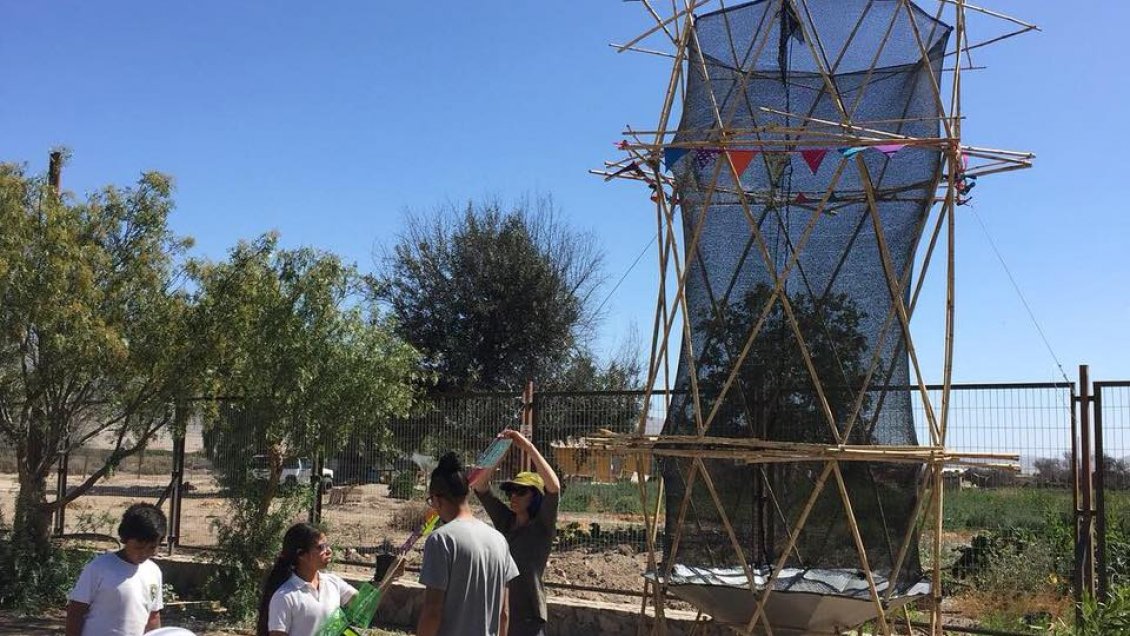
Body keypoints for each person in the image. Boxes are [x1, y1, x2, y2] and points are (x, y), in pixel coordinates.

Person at [471, 430, 562, 636]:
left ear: (536, 497)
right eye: (511, 491)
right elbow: (480, 485)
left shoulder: (542, 528)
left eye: (521, 491)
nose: (513, 496)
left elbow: (554, 487)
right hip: (500, 611)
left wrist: (527, 447)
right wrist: (500, 449)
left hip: (529, 618)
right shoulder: (505, 521)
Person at [418, 452, 519, 636]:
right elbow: (504, 613)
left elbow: (432, 611)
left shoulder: (441, 540)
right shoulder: (498, 539)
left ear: (437, 499)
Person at [66, 502, 168, 636]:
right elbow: (76, 611)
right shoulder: (100, 567)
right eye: (138, 547)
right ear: (124, 538)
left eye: (152, 547)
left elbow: (153, 616)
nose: (143, 553)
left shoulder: (153, 572)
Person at [258, 523, 357, 636]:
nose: (329, 551)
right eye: (320, 547)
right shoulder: (285, 597)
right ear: (301, 554)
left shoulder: (333, 583)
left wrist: (382, 585)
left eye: (327, 545)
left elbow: (364, 604)